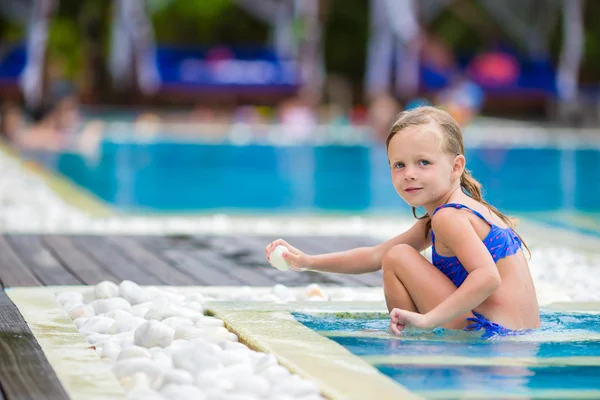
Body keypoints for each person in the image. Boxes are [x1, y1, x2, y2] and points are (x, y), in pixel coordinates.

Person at [265, 106, 540, 338]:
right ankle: (414, 326)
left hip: (492, 336)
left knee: (398, 258)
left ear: (456, 167)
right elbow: (373, 255)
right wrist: (307, 262)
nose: (409, 174)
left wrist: (429, 320)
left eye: (423, 162)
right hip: (518, 339)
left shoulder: (448, 217)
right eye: (399, 165)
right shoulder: (454, 212)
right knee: (393, 254)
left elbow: (487, 277)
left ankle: (408, 335)